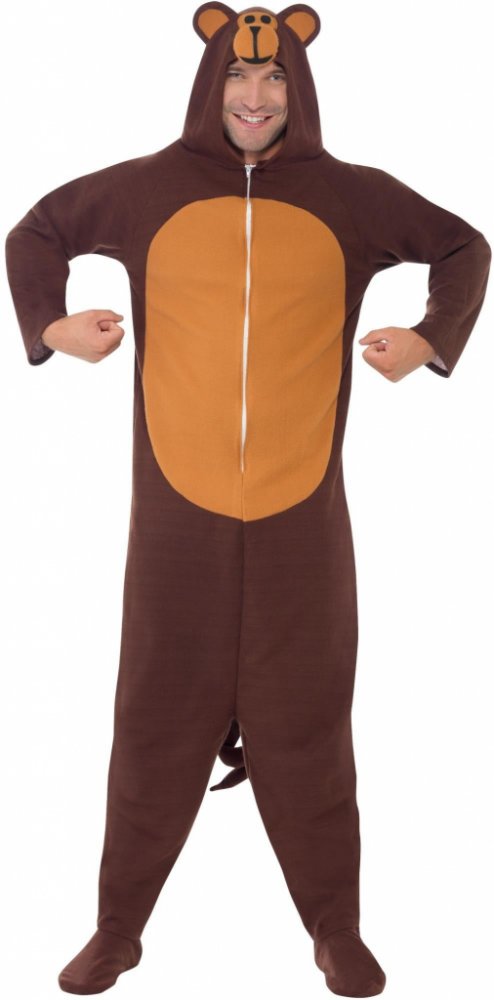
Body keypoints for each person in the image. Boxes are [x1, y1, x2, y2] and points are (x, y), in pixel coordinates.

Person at [4, 4, 491, 997]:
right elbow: (38, 232)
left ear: (297, 87)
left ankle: (334, 927)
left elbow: (462, 247)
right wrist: (51, 325)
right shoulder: (147, 188)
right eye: (236, 76)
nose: (255, 97)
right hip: (173, 518)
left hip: (300, 514)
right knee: (153, 717)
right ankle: (117, 928)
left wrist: (430, 338)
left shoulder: (350, 197)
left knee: (310, 722)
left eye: (272, 79)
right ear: (208, 83)